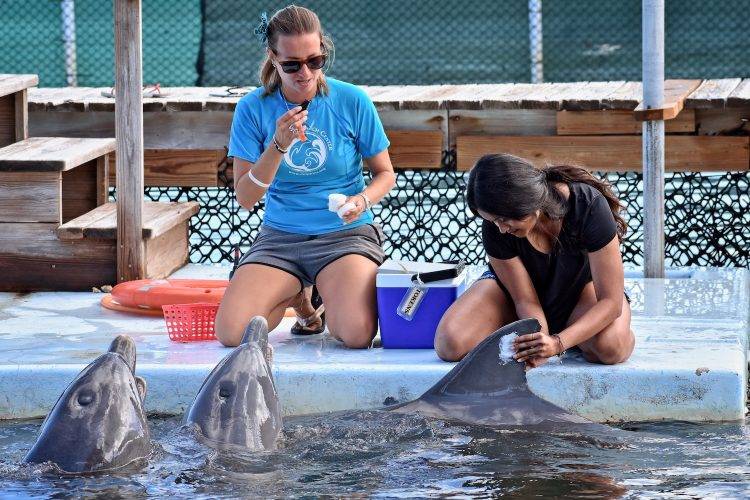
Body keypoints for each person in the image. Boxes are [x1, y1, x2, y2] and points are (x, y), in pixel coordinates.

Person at [215, 5, 396, 348]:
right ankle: (301, 297)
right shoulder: (253, 108)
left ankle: (315, 293)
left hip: (344, 233)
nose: (305, 73)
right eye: (292, 65)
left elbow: (385, 173)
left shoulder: (352, 100)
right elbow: (245, 198)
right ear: (272, 57)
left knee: (356, 335)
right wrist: (277, 147)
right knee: (233, 333)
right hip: (281, 236)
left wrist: (362, 201)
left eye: (315, 61)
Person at [434, 153, 635, 367]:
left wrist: (558, 343)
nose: (501, 229)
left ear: (525, 200)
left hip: (580, 294)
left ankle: (582, 331)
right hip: (516, 299)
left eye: (503, 219)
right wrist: (537, 342)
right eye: (492, 221)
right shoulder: (496, 227)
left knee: (610, 348)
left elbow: (611, 303)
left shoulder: (588, 204)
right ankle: (552, 330)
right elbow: (525, 300)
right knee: (450, 343)